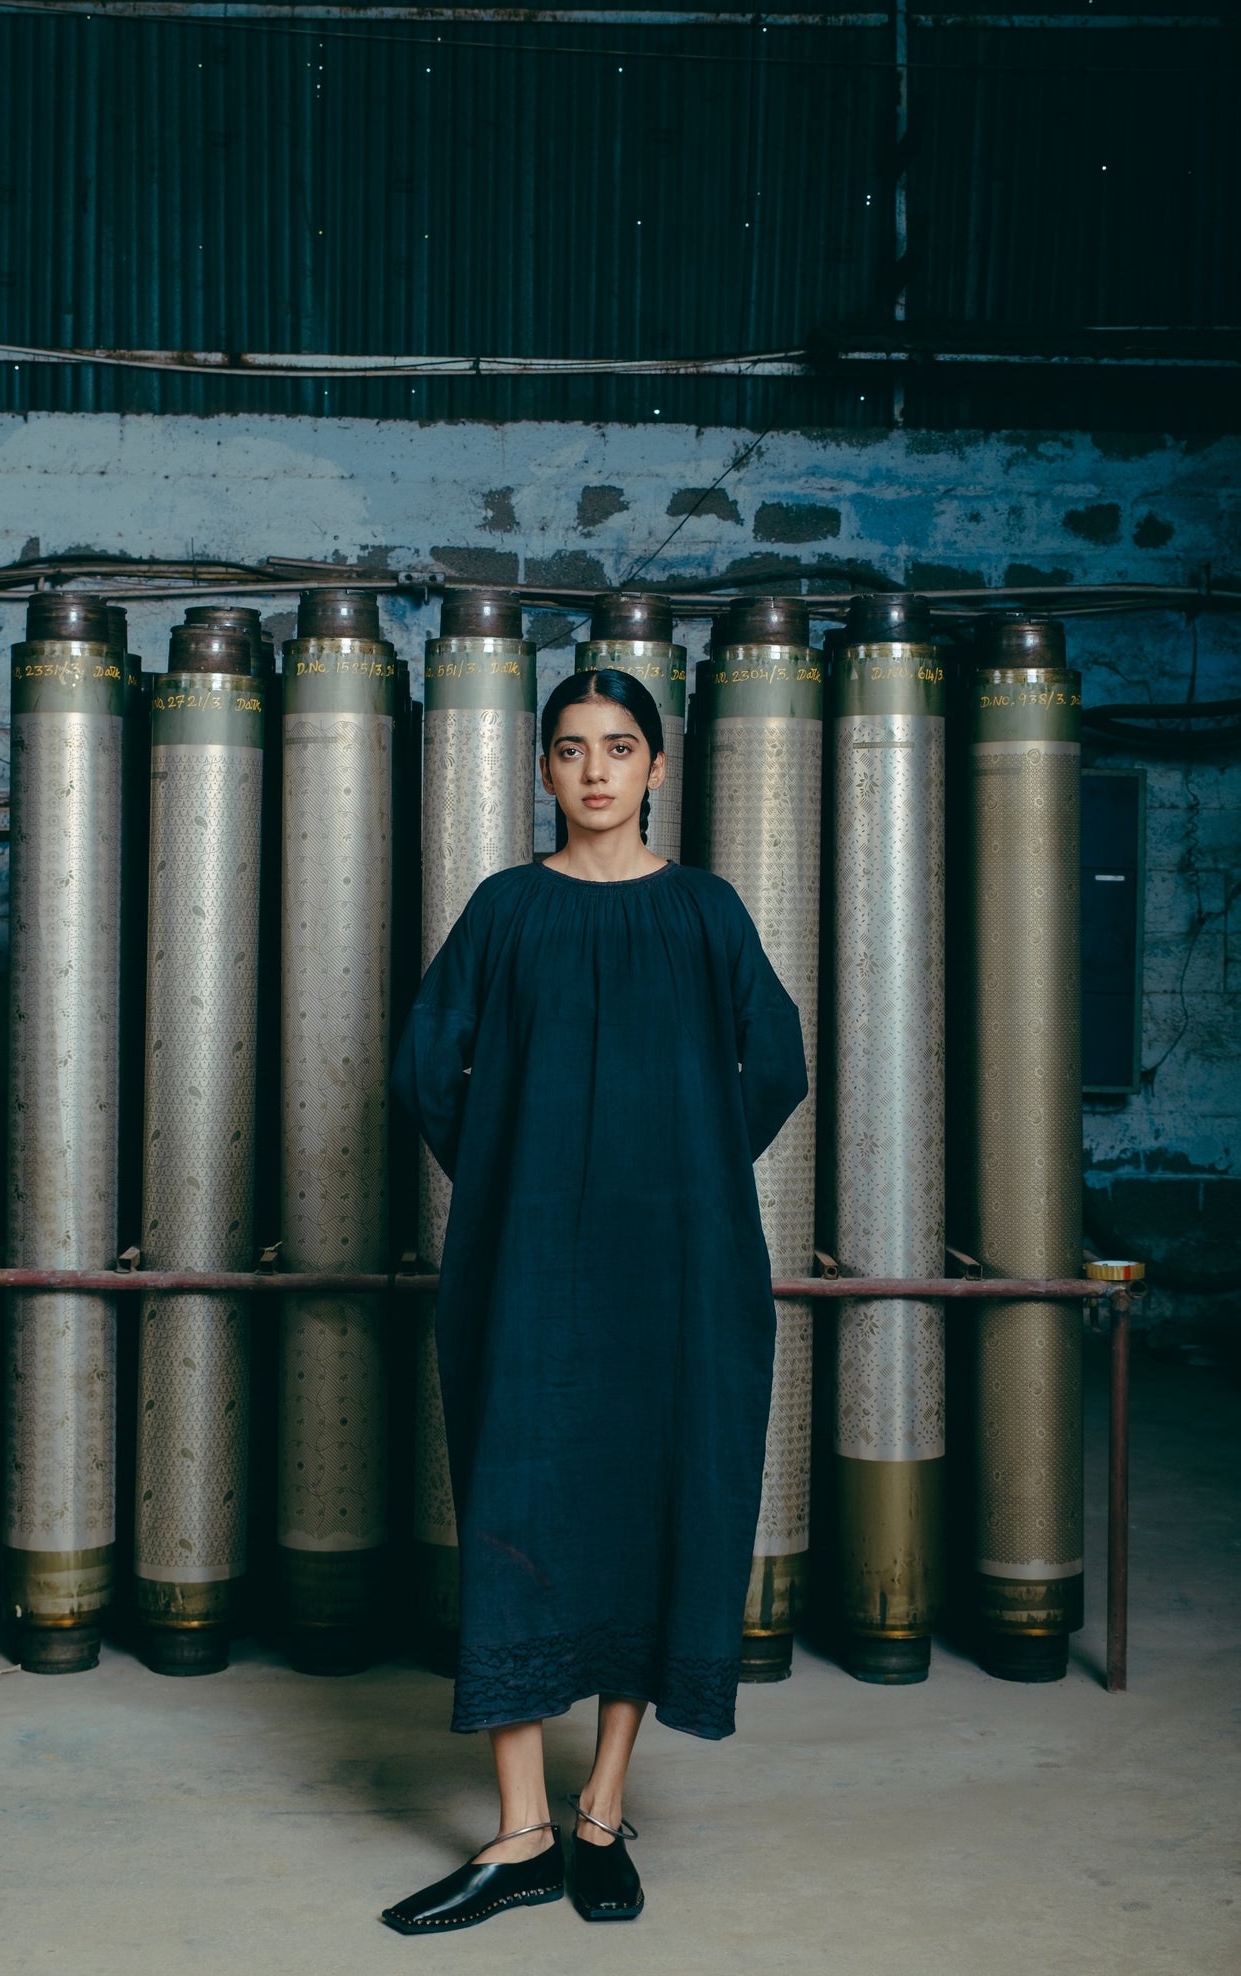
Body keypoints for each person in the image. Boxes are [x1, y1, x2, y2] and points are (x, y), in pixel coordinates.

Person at [383, 666, 807, 1935]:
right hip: (528, 1272)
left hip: (680, 1274)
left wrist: (678, 1160)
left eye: (621, 747)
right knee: (517, 1510)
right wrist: (517, 1177)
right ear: (545, 770)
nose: (596, 771)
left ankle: (601, 1815)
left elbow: (776, 1062)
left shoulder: (706, 910)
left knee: (651, 1508)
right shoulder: (506, 908)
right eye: (570, 749)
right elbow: (424, 1066)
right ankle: (519, 1833)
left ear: (658, 767)